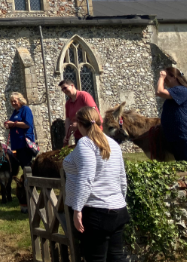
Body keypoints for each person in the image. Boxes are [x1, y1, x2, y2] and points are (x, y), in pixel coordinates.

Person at [63, 106, 129, 262]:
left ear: (79, 124)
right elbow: (122, 178)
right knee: (116, 257)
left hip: (96, 212)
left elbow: (86, 177)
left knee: (96, 259)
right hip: (118, 209)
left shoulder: (86, 143)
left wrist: (77, 209)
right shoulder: (113, 143)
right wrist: (120, 201)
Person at [156, 67, 187, 161]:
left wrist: (161, 77)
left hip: (185, 136)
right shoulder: (175, 92)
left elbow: (159, 91)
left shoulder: (182, 90)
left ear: (174, 77)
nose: (165, 81)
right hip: (176, 136)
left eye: (167, 78)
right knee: (181, 170)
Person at [61, 79, 100, 144]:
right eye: (62, 90)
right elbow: (68, 120)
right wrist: (67, 136)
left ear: (72, 86)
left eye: (65, 88)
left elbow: (93, 113)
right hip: (79, 136)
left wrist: (79, 124)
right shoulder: (68, 104)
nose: (64, 91)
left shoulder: (84, 96)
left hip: (92, 133)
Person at [4, 92, 36, 169]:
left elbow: (27, 124)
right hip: (16, 143)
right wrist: (8, 125)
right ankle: (25, 179)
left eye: (15, 101)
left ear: (20, 100)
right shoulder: (15, 112)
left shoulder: (25, 109)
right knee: (22, 165)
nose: (13, 103)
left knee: (27, 165)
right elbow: (12, 124)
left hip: (24, 142)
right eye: (12, 101)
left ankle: (29, 180)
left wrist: (13, 123)